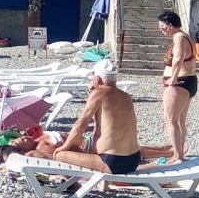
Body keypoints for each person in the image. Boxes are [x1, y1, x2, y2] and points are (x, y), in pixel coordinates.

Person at [36, 60, 142, 189]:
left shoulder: (99, 94)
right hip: (134, 159)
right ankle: (104, 184)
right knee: (95, 142)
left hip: (112, 162)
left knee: (60, 155)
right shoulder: (125, 96)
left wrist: (64, 147)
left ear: (97, 78)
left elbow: (81, 124)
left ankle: (73, 185)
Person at [158, 10, 197, 164]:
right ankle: (179, 153)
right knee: (180, 120)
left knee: (171, 120)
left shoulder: (180, 37)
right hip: (189, 81)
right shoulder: (185, 36)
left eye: (162, 27)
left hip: (179, 83)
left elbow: (179, 58)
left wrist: (172, 79)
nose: (161, 31)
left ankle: (177, 156)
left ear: (170, 26)